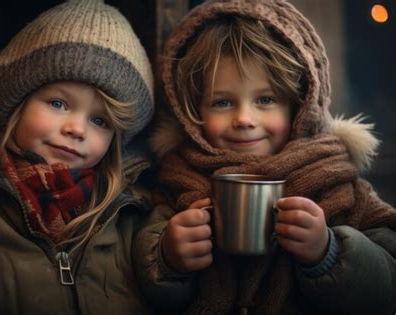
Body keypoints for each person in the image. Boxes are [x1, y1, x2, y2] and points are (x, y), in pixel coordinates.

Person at [133, 0, 396, 314]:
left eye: (266, 99)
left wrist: (328, 253)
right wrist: (169, 259)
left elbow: (386, 286)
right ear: (192, 113)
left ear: (299, 109)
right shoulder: (177, 182)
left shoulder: (338, 184)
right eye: (222, 103)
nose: (244, 118)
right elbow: (145, 283)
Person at [0, 0, 155, 314]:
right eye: (58, 103)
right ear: (16, 105)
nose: (76, 129)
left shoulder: (131, 211)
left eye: (100, 121)